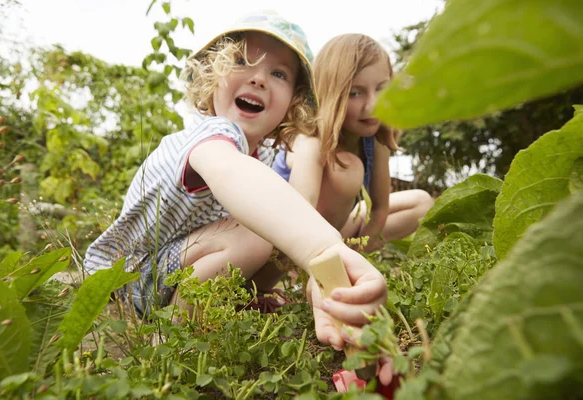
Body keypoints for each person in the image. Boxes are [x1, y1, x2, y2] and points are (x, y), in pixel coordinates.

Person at [83, 13, 386, 350]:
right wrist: (321, 249)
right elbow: (227, 169)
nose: (258, 78)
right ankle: (172, 337)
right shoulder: (214, 133)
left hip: (172, 271)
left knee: (270, 225)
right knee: (256, 235)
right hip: (131, 278)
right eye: (241, 61)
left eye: (278, 73)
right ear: (210, 79)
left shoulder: (265, 158)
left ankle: (232, 303)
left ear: (292, 104)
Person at [272, 33, 434, 253]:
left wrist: (361, 248)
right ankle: (311, 267)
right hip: (281, 240)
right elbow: (300, 218)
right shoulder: (309, 142)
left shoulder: (375, 139)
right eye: (355, 93)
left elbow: (380, 209)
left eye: (381, 89)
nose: (372, 105)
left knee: (422, 202)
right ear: (331, 96)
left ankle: (344, 257)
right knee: (347, 169)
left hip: (332, 233)